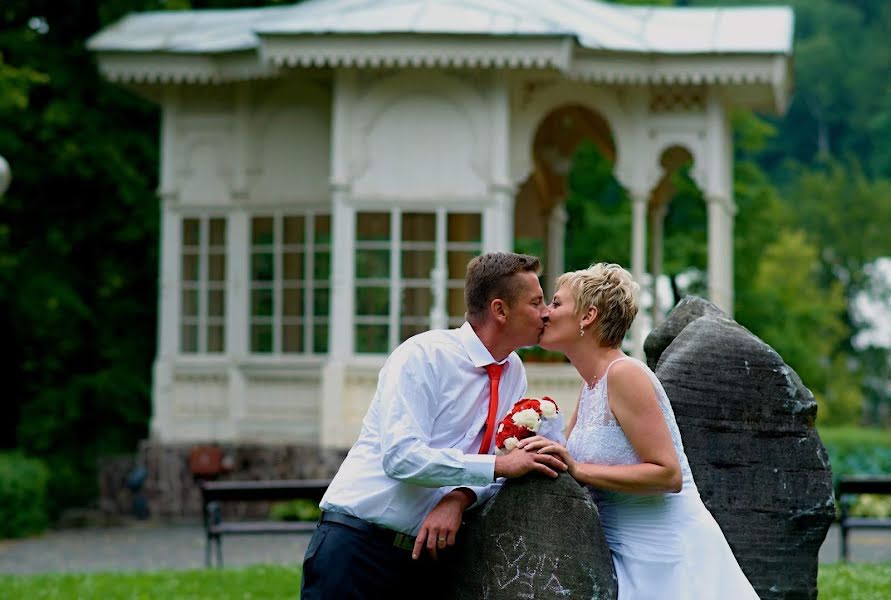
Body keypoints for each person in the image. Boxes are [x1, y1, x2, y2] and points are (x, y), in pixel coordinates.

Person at [301, 252, 568, 600]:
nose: (546, 311)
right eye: (536, 302)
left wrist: (459, 497)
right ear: (500, 310)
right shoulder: (423, 356)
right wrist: (500, 466)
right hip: (357, 549)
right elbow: (401, 458)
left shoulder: (513, 371)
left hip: (428, 560)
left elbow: (487, 461)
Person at [519, 262, 759, 599]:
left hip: (669, 556)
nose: (545, 312)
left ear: (588, 316)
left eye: (557, 304)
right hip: (623, 557)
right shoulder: (590, 388)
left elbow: (667, 474)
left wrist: (580, 470)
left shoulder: (625, 374)